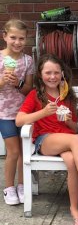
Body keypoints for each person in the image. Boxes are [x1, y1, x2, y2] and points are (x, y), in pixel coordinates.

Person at [15, 54, 78, 225]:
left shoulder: (67, 95)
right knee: (74, 141)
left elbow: (74, 129)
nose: (52, 76)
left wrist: (68, 119)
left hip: (66, 139)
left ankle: (74, 209)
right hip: (45, 140)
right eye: (48, 72)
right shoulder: (36, 95)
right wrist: (44, 112)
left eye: (56, 72)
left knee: (71, 161)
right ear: (40, 75)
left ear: (62, 74)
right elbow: (19, 120)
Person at [0, 19, 35, 206]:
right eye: (13, 37)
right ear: (4, 36)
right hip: (4, 112)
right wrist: (3, 81)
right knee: (12, 151)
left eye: (21, 38)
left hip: (23, 112)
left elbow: (29, 89)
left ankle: (22, 185)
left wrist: (17, 83)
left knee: (24, 151)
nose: (17, 42)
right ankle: (8, 188)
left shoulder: (27, 60)